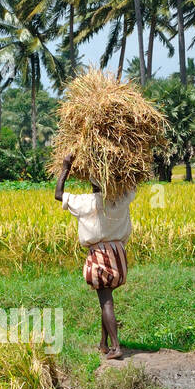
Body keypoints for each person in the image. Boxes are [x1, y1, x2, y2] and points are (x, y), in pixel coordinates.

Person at [55, 152, 134, 360]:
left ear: (92, 183)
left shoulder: (86, 202)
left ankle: (116, 347)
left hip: (101, 256)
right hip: (119, 255)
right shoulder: (120, 199)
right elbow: (133, 184)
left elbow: (58, 194)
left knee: (105, 301)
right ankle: (103, 343)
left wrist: (65, 167)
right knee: (106, 298)